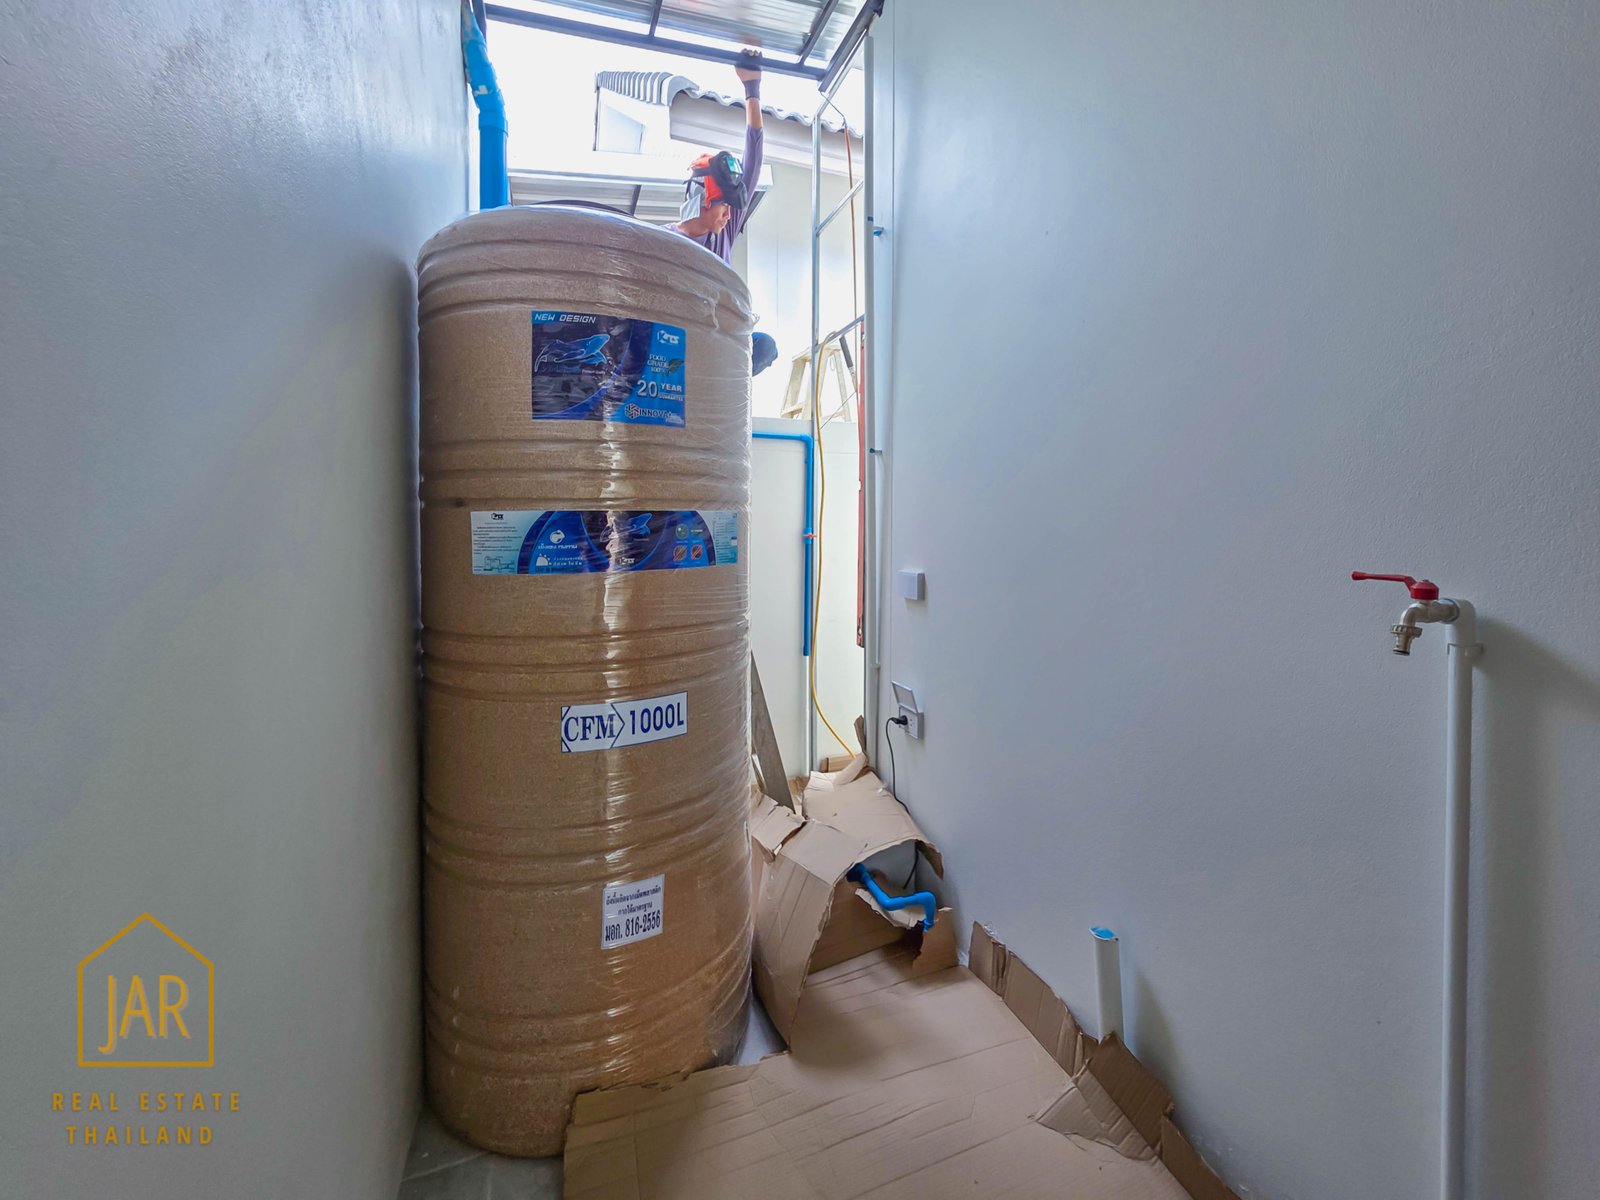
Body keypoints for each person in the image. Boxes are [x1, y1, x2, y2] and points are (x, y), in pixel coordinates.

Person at [674, 51, 778, 374]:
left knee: (765, 346)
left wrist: (752, 90)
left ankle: (722, 383)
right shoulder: (666, 243)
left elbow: (754, 157)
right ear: (704, 200)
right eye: (724, 207)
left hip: (722, 342)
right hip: (681, 344)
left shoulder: (724, 232)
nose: (730, 216)